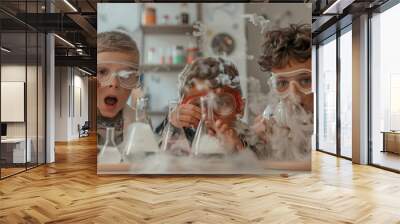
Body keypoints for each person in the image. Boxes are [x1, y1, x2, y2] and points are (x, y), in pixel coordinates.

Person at [157, 57, 248, 154]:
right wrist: (173, 127)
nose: (209, 118)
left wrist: (239, 151)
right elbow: (155, 159)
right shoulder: (179, 133)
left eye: (221, 103)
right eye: (198, 105)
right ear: (183, 109)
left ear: (240, 108)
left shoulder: (249, 137)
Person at [250, 24, 313, 162]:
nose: (294, 96)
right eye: (282, 83)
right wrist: (253, 145)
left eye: (306, 80)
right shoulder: (271, 121)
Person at [97, 31, 141, 146]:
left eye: (125, 75)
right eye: (102, 72)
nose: (114, 83)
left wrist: (173, 126)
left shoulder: (140, 123)